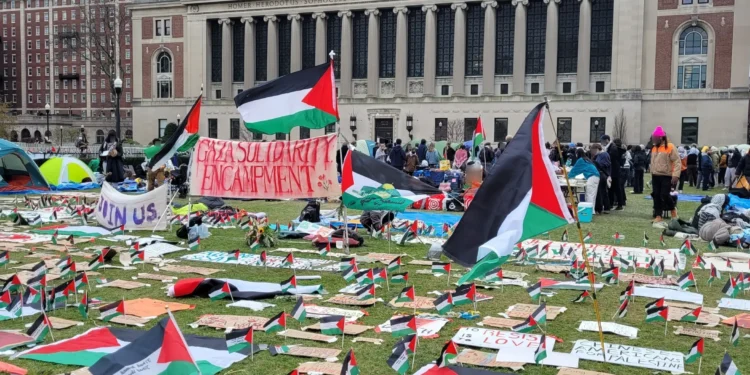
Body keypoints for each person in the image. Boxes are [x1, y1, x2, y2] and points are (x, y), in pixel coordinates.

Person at [649, 126, 680, 222]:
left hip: (666, 175)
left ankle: (673, 209)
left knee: (665, 194)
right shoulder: (654, 148)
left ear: (661, 138)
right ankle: (658, 215)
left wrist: (675, 175)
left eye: (655, 138)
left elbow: (677, 161)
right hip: (655, 175)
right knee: (656, 195)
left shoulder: (670, 147)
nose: (653, 139)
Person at [601, 135, 624, 210]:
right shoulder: (611, 147)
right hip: (613, 170)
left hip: (614, 171)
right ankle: (611, 203)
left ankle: (619, 204)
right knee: (611, 187)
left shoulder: (612, 147)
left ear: (607, 140)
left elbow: (611, 158)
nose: (602, 143)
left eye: (603, 141)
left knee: (616, 188)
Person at [591, 143, 611, 214]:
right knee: (602, 192)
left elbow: (605, 164)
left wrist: (596, 164)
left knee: (602, 192)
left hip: (602, 174)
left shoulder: (604, 155)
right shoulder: (599, 155)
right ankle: (605, 207)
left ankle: (605, 208)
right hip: (601, 174)